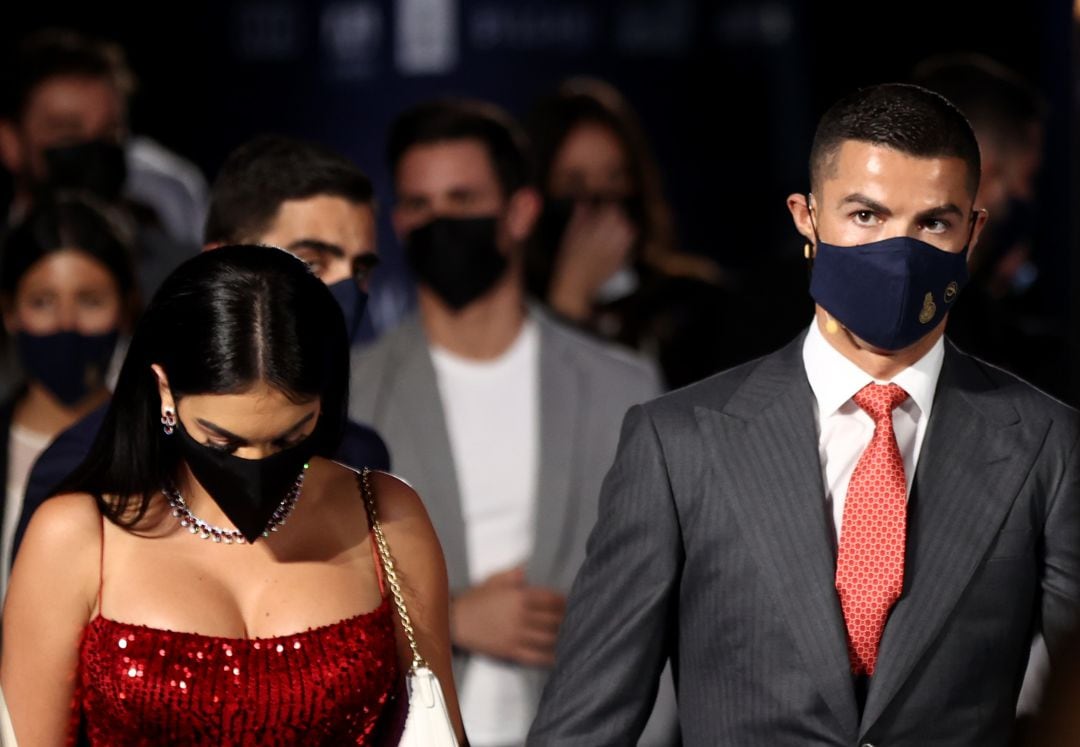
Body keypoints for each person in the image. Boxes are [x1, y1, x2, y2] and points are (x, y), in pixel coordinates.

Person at [528, 83, 1080, 745]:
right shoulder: (678, 443)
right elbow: (583, 728)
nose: (897, 255)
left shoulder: (1047, 445)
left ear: (973, 231)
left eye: (931, 222)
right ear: (806, 217)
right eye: (866, 216)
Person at [1, 245, 465, 744]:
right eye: (222, 441)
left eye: (290, 437)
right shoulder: (76, 537)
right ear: (164, 390)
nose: (255, 466)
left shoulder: (386, 519)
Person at [349, 98, 673, 746]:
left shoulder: (621, 385)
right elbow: (307, 593)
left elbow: (657, 602)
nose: (440, 222)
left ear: (521, 211)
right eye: (419, 205)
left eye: (462, 199)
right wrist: (449, 617)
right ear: (396, 223)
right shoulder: (354, 392)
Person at [11, 134, 391, 562]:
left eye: (360, 269)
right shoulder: (84, 472)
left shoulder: (362, 462)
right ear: (220, 262)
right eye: (311, 263)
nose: (344, 290)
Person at [525, 77, 738, 389]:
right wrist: (569, 301)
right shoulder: (512, 316)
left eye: (614, 178)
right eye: (574, 184)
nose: (599, 201)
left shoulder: (695, 306)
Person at [0, 194, 136, 601]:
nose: (66, 323)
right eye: (42, 302)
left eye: (90, 301)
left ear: (126, 309)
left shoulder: (153, 446)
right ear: (10, 312)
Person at [0, 28, 200, 303]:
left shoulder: (183, 280)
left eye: (109, 133)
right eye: (67, 133)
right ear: (9, 142)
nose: (92, 150)